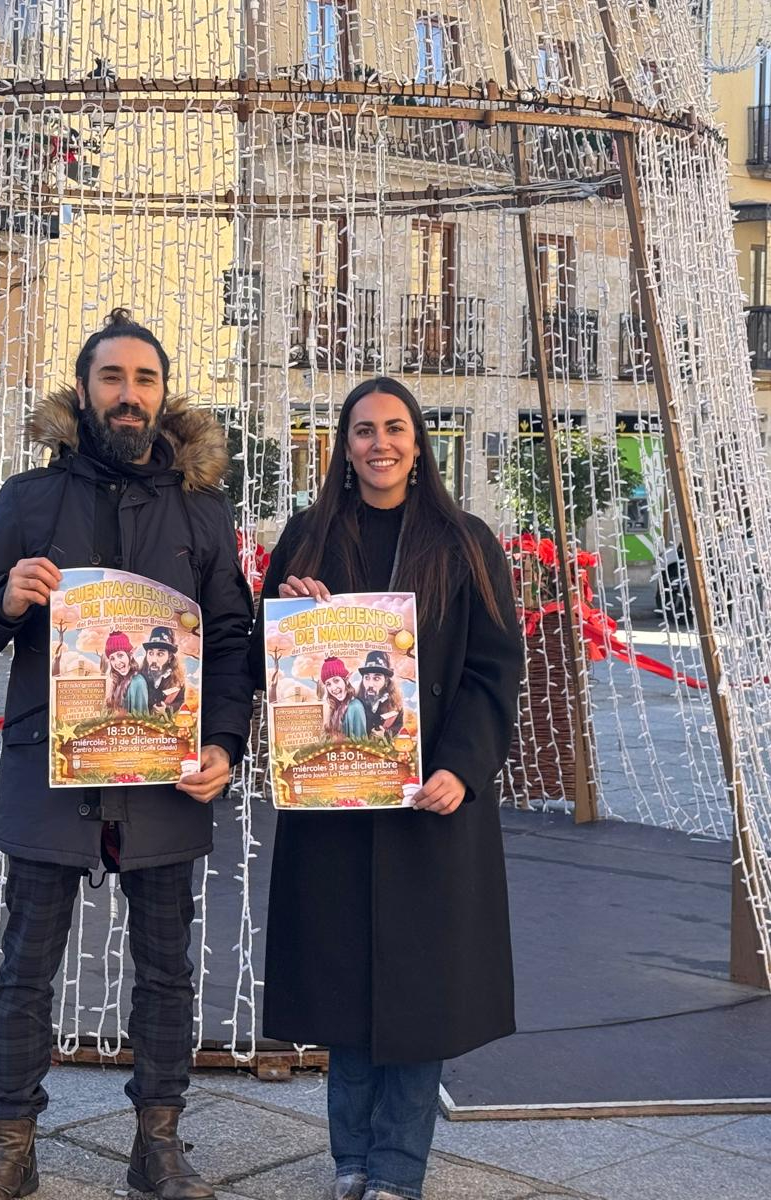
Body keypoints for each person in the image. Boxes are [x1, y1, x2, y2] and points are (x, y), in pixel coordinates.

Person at [0, 309, 253, 1200]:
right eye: (112, 378)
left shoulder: (204, 510)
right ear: (85, 391)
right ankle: (9, 1147)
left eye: (143, 379)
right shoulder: (31, 500)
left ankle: (159, 1143)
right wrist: (3, 597)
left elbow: (230, 641)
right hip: (52, 773)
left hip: (165, 781)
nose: (128, 395)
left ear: (164, 393)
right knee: (27, 962)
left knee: (166, 968)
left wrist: (226, 742)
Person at [255, 377, 524, 1200]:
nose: (380, 444)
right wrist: (285, 606)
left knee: (419, 992)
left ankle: (398, 1171)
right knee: (345, 987)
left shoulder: (466, 541)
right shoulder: (307, 535)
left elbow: (491, 674)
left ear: (419, 441)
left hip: (428, 803)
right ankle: (350, 1160)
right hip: (336, 801)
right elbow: (274, 663)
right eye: (364, 430)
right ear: (344, 444)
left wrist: (462, 770)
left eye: (395, 428)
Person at [356, 650, 404, 741]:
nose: (370, 684)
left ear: (386, 681)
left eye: (376, 678)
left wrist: (385, 735)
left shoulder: (395, 704)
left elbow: (397, 726)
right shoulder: (356, 701)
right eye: (367, 678)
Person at [320, 658, 369, 739]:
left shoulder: (355, 707)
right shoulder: (335, 706)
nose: (333, 688)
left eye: (336, 681)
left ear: (346, 680)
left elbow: (361, 743)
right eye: (328, 684)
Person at [141, 626, 184, 716]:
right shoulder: (139, 676)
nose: (154, 660)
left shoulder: (177, 681)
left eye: (160, 654)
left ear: (170, 657)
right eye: (151, 653)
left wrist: (166, 709)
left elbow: (179, 701)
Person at [105, 630, 150, 714]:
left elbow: (141, 718)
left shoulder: (138, 681)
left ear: (130, 655)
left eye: (120, 655)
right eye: (112, 658)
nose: (117, 662)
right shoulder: (117, 680)